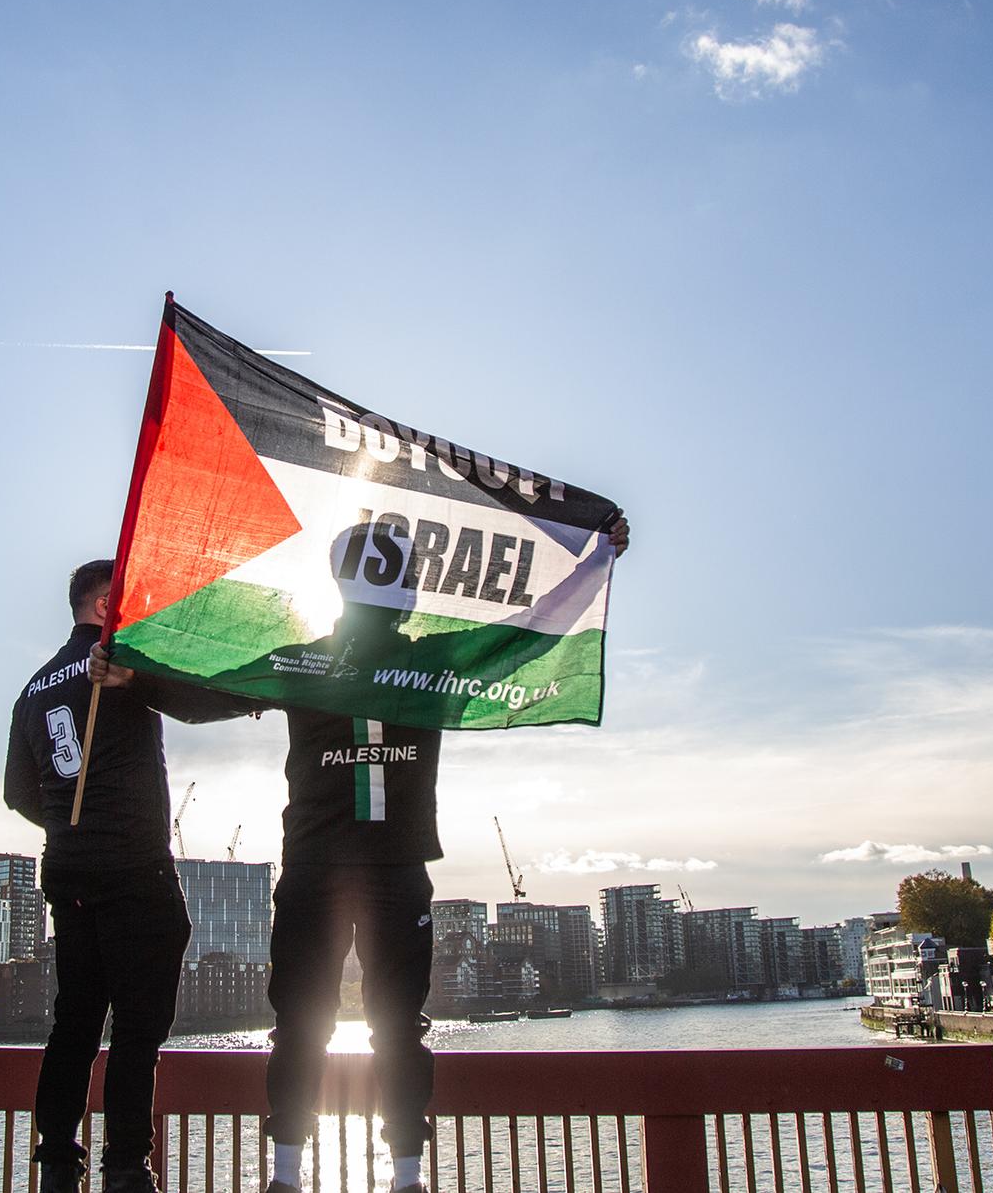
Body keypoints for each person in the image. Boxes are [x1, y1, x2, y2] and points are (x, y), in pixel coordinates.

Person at [91, 511, 628, 1193]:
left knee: (302, 1024)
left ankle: (287, 1176)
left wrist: (135, 676)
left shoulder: (303, 659)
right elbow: (524, 636)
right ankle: (405, 1178)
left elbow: (209, 691)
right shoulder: (430, 659)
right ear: (405, 586)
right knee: (395, 1027)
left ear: (340, 584)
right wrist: (593, 563)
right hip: (393, 869)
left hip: (317, 868)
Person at [6, 559, 249, 1193]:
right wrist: (255, 692)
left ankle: (57, 1161)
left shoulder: (32, 689)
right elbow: (199, 704)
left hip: (68, 871)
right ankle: (125, 1169)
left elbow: (17, 793)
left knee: (74, 1022)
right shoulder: (118, 660)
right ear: (106, 601)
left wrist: (67, 827)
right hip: (134, 868)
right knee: (139, 1029)